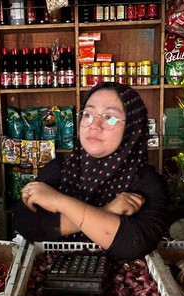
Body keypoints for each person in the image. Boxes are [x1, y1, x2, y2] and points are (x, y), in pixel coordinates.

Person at [13, 82, 173, 259]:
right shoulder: (58, 169)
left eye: (110, 118)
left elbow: (133, 245)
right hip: (55, 274)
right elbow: (26, 223)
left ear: (132, 128)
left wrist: (59, 202)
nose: (94, 125)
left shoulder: (147, 184)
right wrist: (107, 211)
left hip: (123, 281)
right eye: (88, 114)